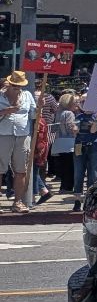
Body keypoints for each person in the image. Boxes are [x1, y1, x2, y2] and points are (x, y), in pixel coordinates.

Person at [1, 73, 34, 212]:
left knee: (21, 171)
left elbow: (34, 114)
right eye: (14, 85)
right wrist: (5, 111)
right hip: (3, 135)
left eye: (19, 86)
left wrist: (40, 107)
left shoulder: (27, 96)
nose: (17, 88)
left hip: (22, 135)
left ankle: (18, 202)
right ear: (9, 84)